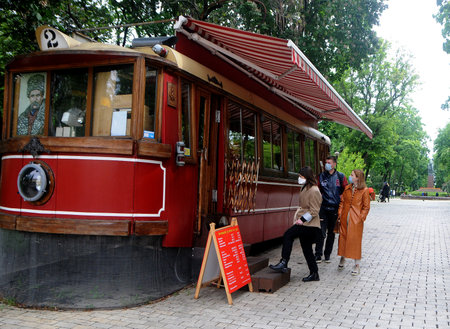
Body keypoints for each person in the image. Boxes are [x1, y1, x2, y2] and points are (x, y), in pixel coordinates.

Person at [269, 166, 322, 282]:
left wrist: (302, 219)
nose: (299, 178)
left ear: (306, 177)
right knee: (307, 249)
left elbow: (314, 210)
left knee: (288, 235)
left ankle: (284, 262)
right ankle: (314, 273)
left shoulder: (314, 190)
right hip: (307, 223)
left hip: (310, 224)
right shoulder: (306, 187)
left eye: (301, 176)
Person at [337, 169, 371, 275]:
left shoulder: (364, 190)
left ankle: (357, 265)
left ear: (358, 178)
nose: (350, 176)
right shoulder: (347, 188)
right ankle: (342, 258)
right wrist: (340, 214)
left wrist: (361, 218)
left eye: (352, 175)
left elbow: (366, 207)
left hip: (356, 221)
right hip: (344, 219)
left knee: (355, 242)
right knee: (342, 238)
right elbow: (342, 202)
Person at [315, 156, 347, 263]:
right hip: (323, 208)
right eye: (326, 162)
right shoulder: (321, 176)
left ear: (334, 164)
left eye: (329, 162)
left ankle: (327, 255)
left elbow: (345, 191)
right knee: (320, 232)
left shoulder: (341, 176)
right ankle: (318, 254)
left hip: (335, 209)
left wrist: (341, 203)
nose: (326, 164)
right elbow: (316, 190)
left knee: (331, 233)